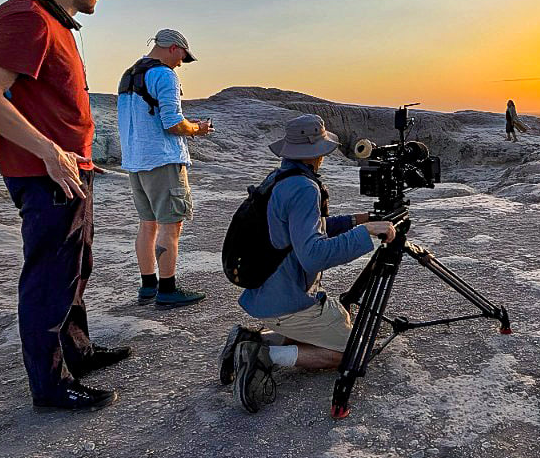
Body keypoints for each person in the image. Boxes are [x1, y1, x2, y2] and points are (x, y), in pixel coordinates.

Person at [0, 0, 130, 411]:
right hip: (46, 173)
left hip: (70, 170)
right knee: (50, 278)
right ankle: (50, 388)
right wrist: (50, 151)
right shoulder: (27, 17)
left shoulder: (56, 22)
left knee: (75, 268)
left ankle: (81, 354)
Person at [217, 114, 396, 413]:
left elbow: (309, 227)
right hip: (287, 301)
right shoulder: (304, 188)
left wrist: (357, 220)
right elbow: (313, 254)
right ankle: (264, 355)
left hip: (267, 290)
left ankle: (246, 339)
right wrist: (364, 234)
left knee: (342, 323)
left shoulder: (281, 178)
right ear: (317, 152)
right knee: (356, 352)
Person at [117, 29, 213, 307]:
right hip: (162, 160)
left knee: (147, 225)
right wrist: (197, 129)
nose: (182, 63)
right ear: (173, 48)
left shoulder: (129, 74)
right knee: (171, 225)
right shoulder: (164, 74)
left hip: (136, 161)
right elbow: (172, 122)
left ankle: (148, 286)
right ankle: (168, 289)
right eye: (183, 56)